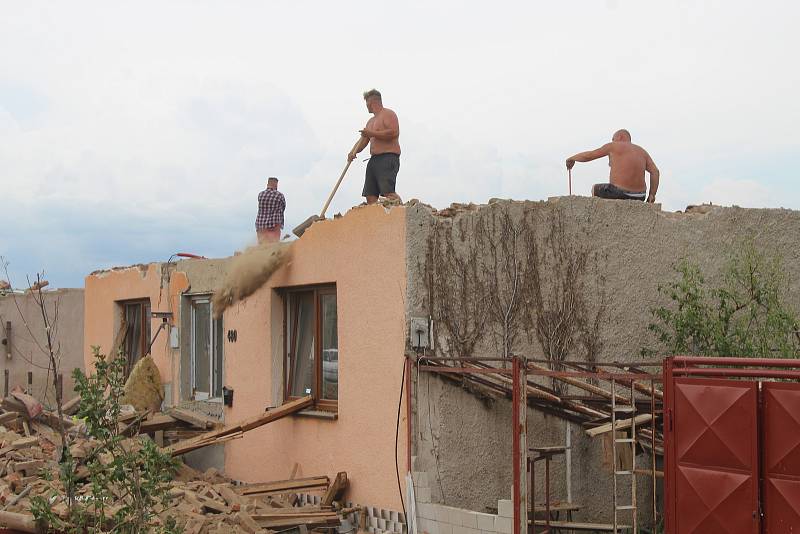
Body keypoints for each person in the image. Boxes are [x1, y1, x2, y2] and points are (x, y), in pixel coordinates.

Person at [566, 129, 660, 202]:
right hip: (640, 196)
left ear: (620, 137)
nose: (612, 140)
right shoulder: (642, 152)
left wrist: (572, 158)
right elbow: (655, 172)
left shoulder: (613, 146)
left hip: (619, 192)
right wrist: (652, 194)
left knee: (595, 189)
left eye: (613, 138)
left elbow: (590, 155)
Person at [348, 89, 402, 204]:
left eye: (366, 103)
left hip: (388, 157)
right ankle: (377, 220)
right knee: (370, 195)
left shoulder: (388, 114)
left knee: (388, 192)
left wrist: (372, 133)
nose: (366, 106)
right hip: (374, 160)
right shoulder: (370, 122)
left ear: (371, 102)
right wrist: (353, 152)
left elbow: (393, 132)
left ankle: (402, 213)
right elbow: (363, 140)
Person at [255, 177, 286, 243]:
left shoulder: (260, 195)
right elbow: (283, 208)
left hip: (260, 225)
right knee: (273, 245)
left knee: (262, 246)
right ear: (276, 184)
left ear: (267, 184)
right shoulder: (279, 195)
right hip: (274, 225)